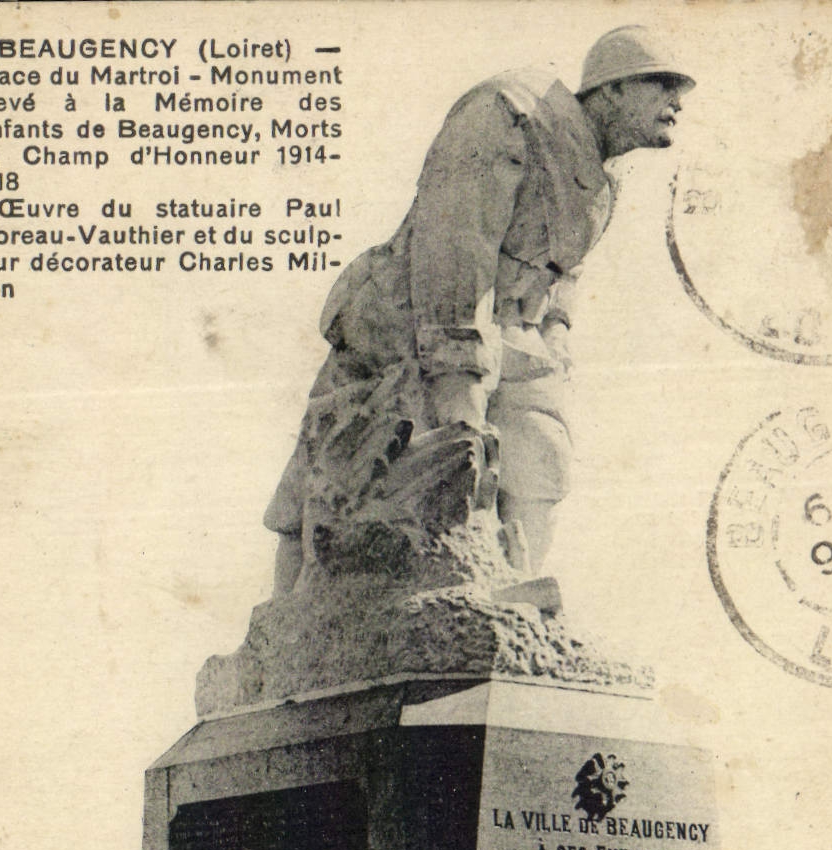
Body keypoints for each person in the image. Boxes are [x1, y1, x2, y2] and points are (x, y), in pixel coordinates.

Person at [266, 26, 695, 596]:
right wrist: (457, 384)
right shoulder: (510, 114)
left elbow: (564, 265)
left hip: (511, 330)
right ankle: (290, 619)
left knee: (541, 451)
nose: (678, 100)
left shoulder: (603, 172)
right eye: (661, 82)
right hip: (408, 320)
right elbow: (453, 253)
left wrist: (557, 330)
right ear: (610, 90)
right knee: (357, 467)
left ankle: (505, 590)